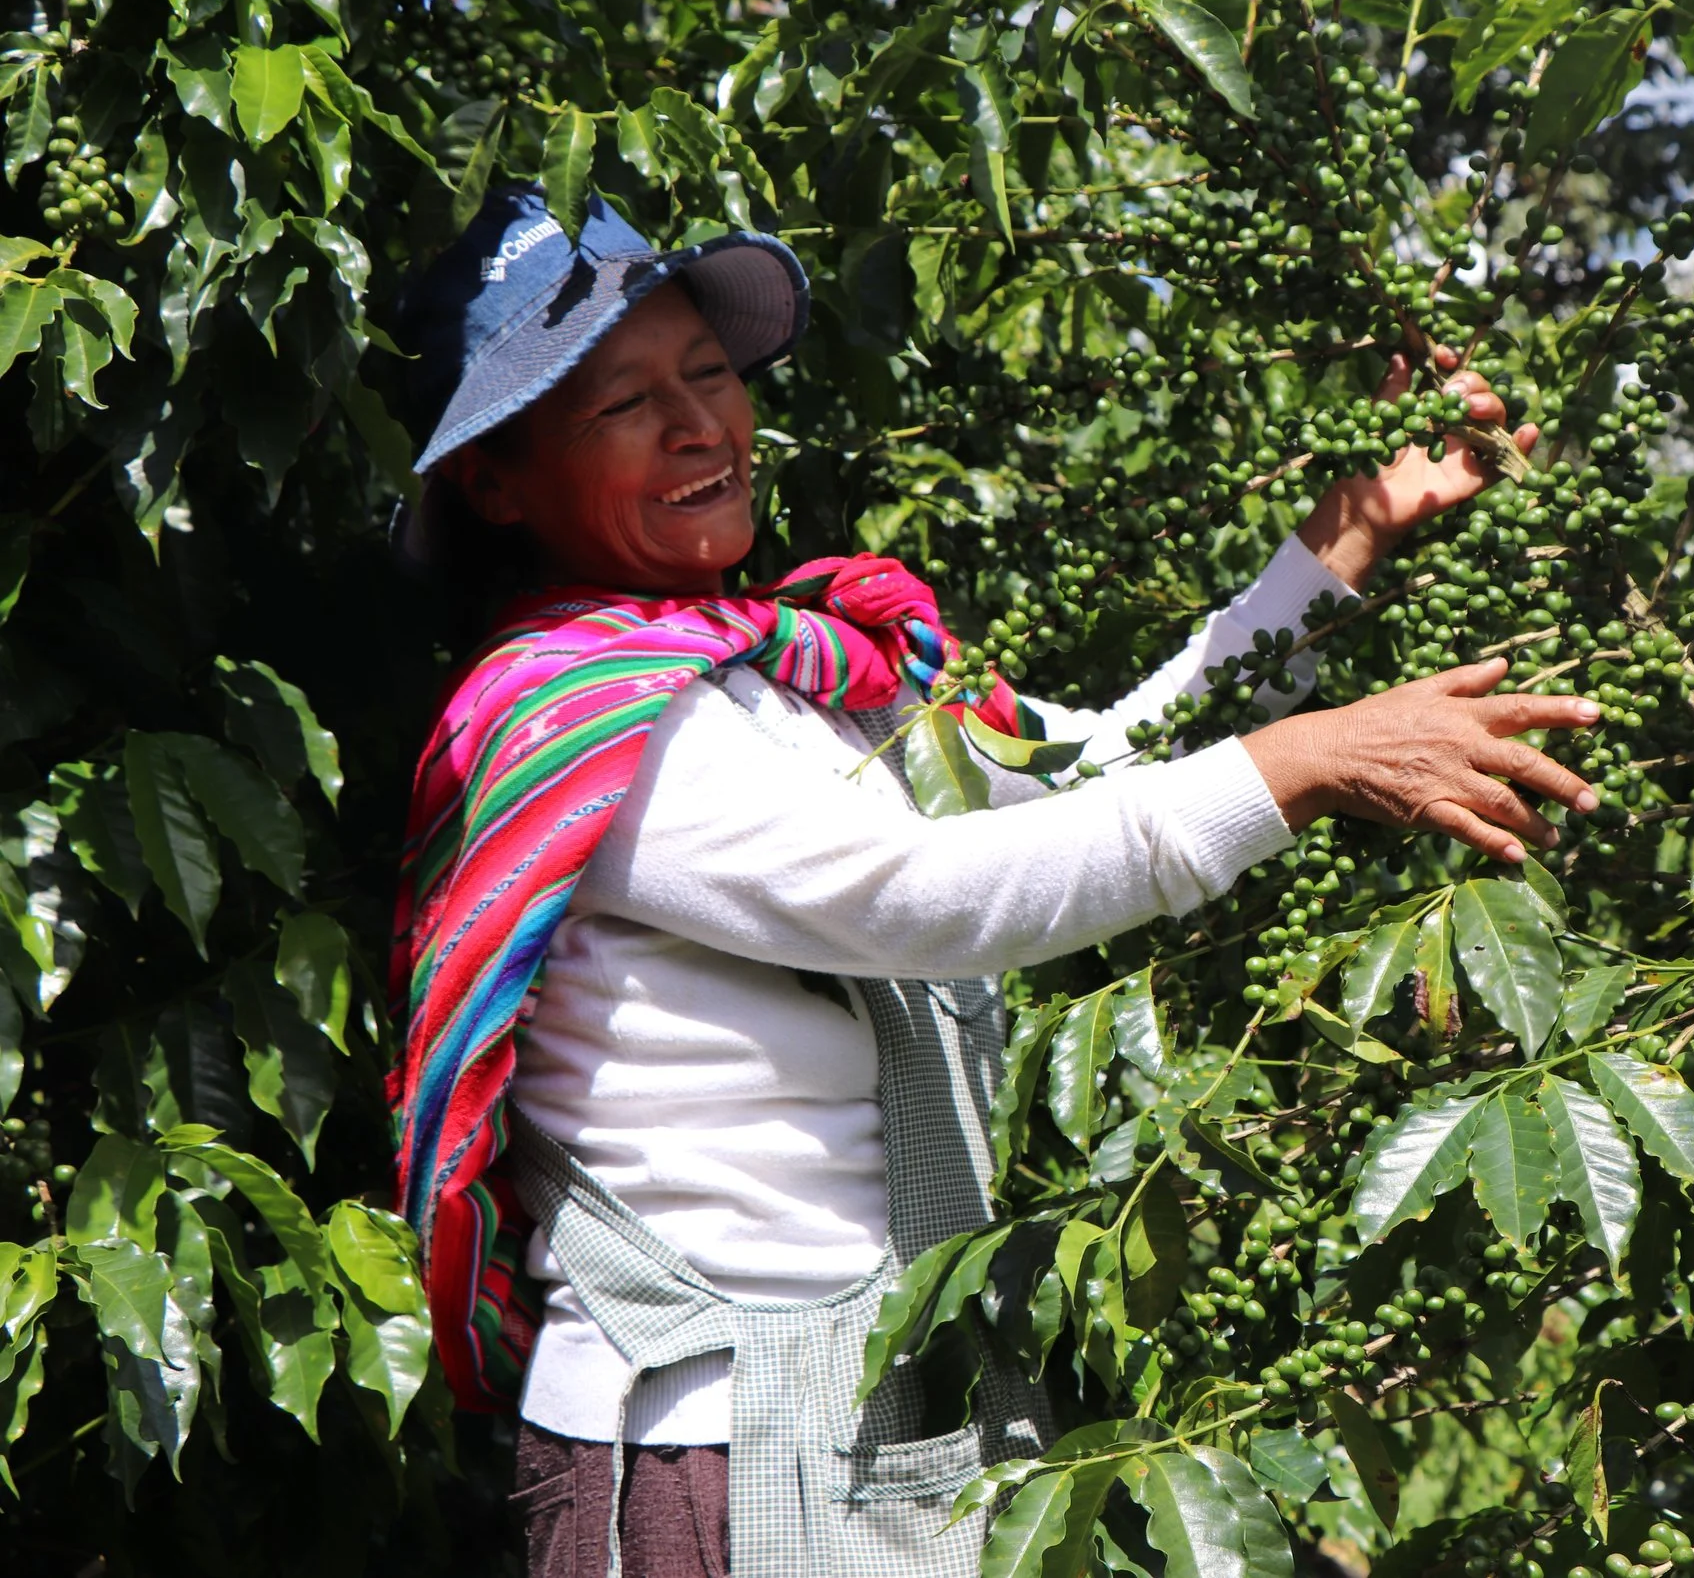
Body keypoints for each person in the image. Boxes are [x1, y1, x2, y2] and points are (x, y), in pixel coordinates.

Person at [386, 185, 1598, 1578]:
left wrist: (1341, 545)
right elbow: (923, 896)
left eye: (709, 373)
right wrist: (1305, 761)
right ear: (496, 483)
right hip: (708, 1446)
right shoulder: (570, 718)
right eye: (623, 404)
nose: (698, 425)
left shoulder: (789, 676)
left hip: (871, 1409)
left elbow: (1084, 774)